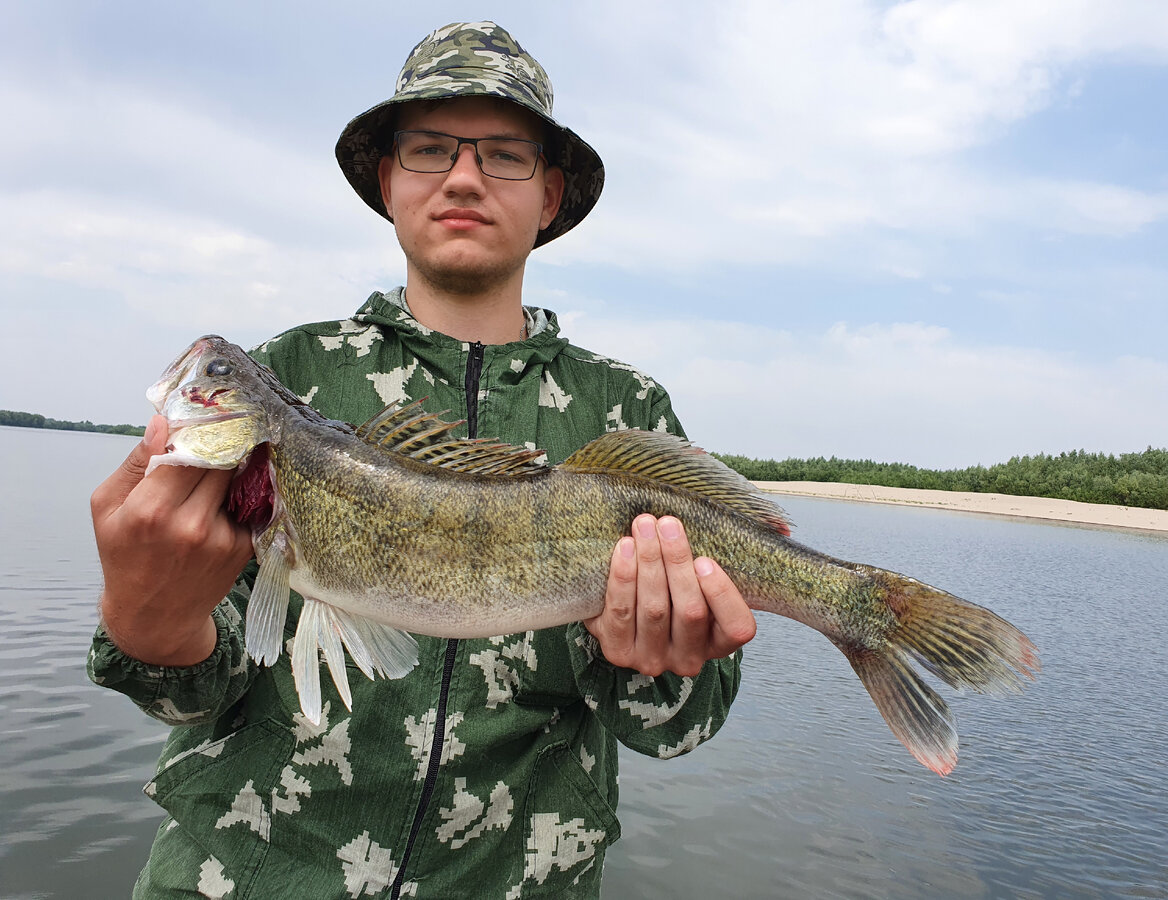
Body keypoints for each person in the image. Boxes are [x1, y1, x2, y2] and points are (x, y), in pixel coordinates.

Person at [88, 21, 756, 899]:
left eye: (505, 154)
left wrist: (659, 663)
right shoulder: (293, 375)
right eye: (431, 148)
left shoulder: (627, 414)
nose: (465, 176)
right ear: (389, 180)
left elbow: (677, 730)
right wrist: (148, 623)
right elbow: (193, 696)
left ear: (550, 195)